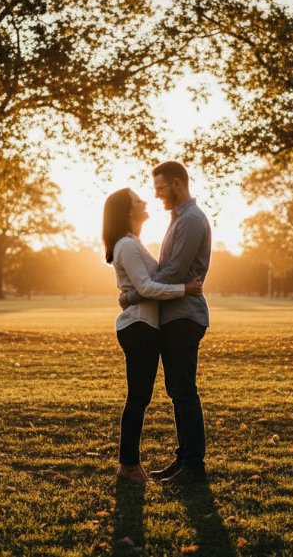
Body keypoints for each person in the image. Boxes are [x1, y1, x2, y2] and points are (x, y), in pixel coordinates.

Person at [103, 187, 204, 485]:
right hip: (138, 327)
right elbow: (147, 287)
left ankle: (131, 464)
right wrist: (183, 290)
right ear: (127, 211)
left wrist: (133, 294)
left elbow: (144, 286)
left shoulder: (134, 242)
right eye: (137, 200)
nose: (145, 200)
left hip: (145, 327)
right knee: (138, 398)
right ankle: (128, 466)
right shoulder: (127, 245)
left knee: (140, 397)